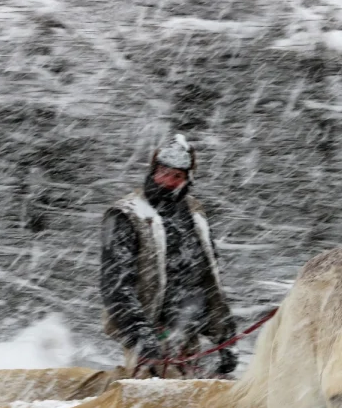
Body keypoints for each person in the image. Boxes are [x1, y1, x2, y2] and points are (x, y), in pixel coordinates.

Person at [99, 135, 238, 377]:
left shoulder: (195, 214)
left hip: (189, 334)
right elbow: (116, 286)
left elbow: (209, 279)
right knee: (156, 405)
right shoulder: (126, 215)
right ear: (153, 171)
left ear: (187, 179)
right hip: (149, 332)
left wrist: (224, 336)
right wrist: (142, 337)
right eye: (163, 172)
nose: (168, 182)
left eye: (177, 176)